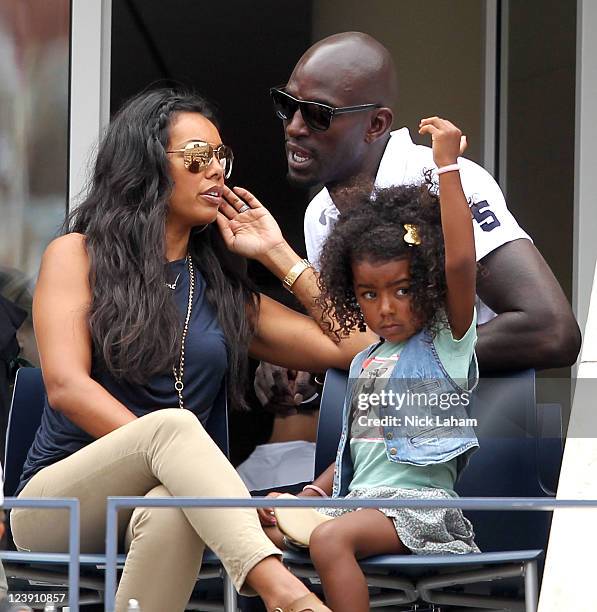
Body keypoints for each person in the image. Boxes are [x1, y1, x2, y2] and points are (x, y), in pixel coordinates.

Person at [9, 88, 378, 612]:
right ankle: (287, 596)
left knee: (172, 506)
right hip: (60, 504)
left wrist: (278, 256)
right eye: (199, 158)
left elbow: (360, 347)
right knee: (174, 428)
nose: (217, 173)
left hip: (179, 496)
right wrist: (182, 463)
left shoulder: (222, 292)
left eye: (222, 158)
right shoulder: (78, 255)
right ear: (146, 166)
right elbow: (67, 388)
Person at [257, 30, 580, 415]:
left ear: (376, 125)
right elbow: (361, 341)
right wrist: (304, 364)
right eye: (287, 105)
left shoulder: (444, 181)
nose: (294, 126)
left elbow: (551, 330)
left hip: (472, 432)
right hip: (384, 437)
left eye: (317, 114)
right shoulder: (320, 214)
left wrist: (401, 364)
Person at [260, 117, 480, 612]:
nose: (386, 308)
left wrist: (448, 167)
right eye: (369, 294)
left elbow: (462, 263)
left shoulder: (446, 343)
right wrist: (315, 491)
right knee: (262, 534)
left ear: (426, 282)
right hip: (356, 504)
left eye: (402, 290)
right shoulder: (365, 360)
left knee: (330, 541)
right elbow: (362, 447)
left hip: (418, 510)